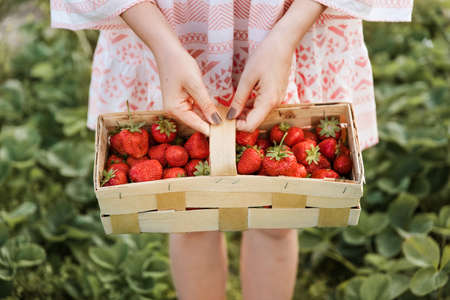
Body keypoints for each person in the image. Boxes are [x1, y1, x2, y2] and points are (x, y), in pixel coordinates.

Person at [50, 0, 413, 299]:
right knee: (188, 215)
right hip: (165, 27)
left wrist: (285, 38)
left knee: (277, 217)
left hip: (291, 20)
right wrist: (163, 46)